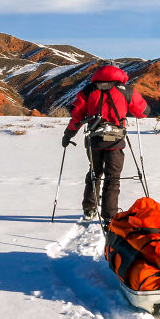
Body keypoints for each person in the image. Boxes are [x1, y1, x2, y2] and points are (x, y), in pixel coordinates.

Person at [62, 65, 149, 222]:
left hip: (94, 141)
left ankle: (89, 208)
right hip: (115, 142)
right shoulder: (125, 90)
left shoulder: (88, 90)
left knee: (94, 173)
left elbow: (77, 116)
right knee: (113, 178)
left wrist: (69, 134)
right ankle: (109, 216)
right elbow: (143, 111)